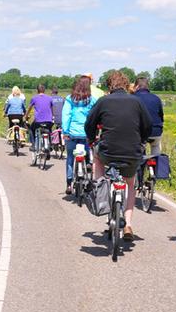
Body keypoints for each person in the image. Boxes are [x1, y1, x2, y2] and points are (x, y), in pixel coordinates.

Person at [85, 71, 152, 241]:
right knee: (130, 184)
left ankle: (101, 189)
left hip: (108, 151)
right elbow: (148, 126)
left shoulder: (103, 101)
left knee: (97, 158)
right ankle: (128, 224)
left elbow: (89, 124)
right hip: (132, 153)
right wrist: (142, 142)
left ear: (110, 86)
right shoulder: (136, 101)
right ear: (126, 84)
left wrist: (92, 140)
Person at [61, 75, 96, 194]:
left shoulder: (70, 99)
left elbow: (66, 116)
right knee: (87, 152)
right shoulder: (92, 99)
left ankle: (69, 184)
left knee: (70, 158)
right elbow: (95, 116)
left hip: (72, 134)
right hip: (86, 134)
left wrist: (65, 132)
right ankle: (88, 166)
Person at [132, 77, 164, 156]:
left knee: (139, 152)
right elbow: (161, 116)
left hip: (140, 133)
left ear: (136, 86)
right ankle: (157, 164)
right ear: (147, 86)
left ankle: (141, 164)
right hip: (156, 131)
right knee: (156, 146)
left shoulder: (133, 98)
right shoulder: (156, 98)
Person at [27, 85, 55, 151]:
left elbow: (29, 109)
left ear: (37, 90)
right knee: (49, 129)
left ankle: (33, 145)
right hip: (48, 121)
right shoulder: (50, 98)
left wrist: (26, 116)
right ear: (44, 90)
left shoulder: (34, 98)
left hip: (38, 121)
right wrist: (53, 117)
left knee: (31, 129)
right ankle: (50, 144)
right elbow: (52, 109)